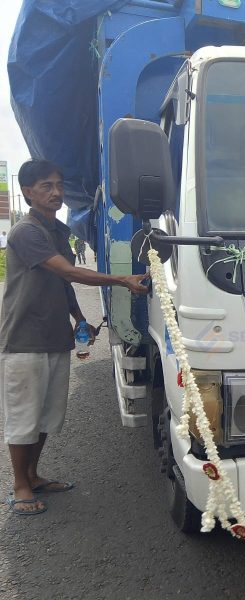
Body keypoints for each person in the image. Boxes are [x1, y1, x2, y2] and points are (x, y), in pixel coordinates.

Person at [0, 159, 148, 516]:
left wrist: (81, 319)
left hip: (55, 337)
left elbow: (62, 282)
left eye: (58, 185)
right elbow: (67, 270)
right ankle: (20, 485)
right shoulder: (26, 231)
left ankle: (34, 475)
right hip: (24, 339)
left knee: (48, 415)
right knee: (25, 417)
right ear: (28, 193)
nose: (55, 192)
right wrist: (122, 280)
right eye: (46, 187)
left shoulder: (57, 228)